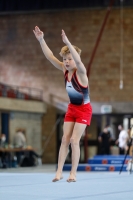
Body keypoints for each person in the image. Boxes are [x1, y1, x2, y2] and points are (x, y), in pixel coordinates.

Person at [33, 26, 92, 182]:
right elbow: (50, 56)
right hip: (72, 108)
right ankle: (58, 172)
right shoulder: (64, 70)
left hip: (84, 109)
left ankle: (73, 173)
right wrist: (41, 40)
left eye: (69, 59)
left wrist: (67, 42)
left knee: (74, 140)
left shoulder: (81, 73)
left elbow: (78, 61)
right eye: (65, 59)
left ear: (75, 57)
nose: (66, 62)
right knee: (65, 139)